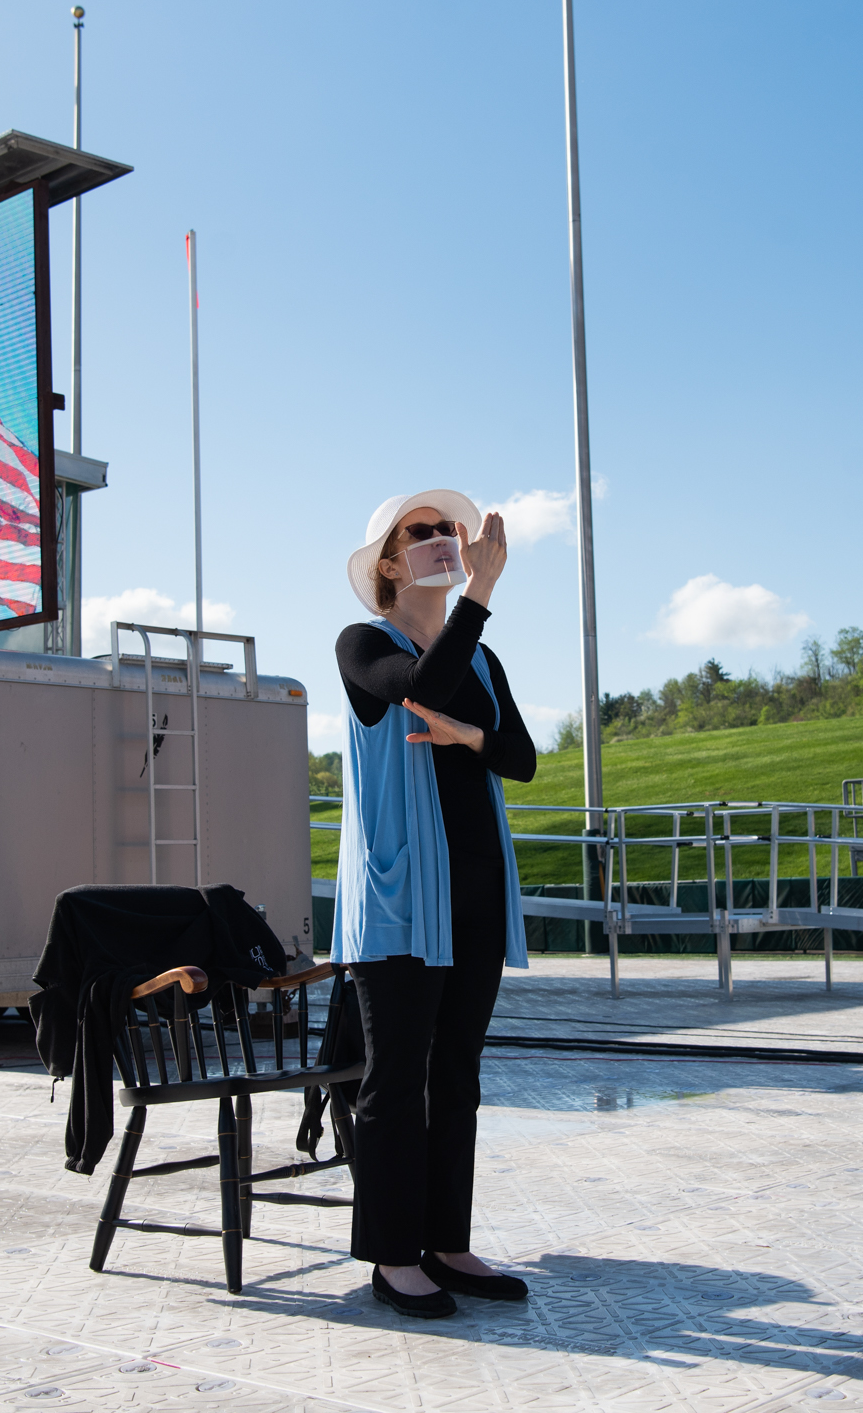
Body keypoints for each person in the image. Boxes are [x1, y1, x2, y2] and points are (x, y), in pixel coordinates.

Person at [332, 489, 537, 1320]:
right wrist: (480, 597)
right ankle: (392, 1255)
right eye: (425, 532)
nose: (447, 540)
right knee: (396, 1077)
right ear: (389, 561)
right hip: (402, 901)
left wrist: (469, 737)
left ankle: (448, 1243)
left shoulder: (484, 660)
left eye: (451, 530)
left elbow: (520, 756)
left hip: (478, 893)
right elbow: (420, 681)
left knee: (457, 1076)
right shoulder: (361, 644)